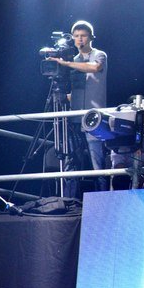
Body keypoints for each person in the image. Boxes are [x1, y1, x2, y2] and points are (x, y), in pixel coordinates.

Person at [48, 20, 108, 194]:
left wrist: (66, 64)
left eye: (83, 36)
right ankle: (71, 199)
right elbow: (76, 90)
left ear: (91, 37)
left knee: (97, 162)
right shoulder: (73, 60)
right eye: (76, 36)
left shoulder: (99, 55)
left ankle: (103, 196)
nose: (80, 39)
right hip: (75, 118)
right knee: (73, 160)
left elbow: (94, 68)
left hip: (93, 117)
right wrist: (63, 96)